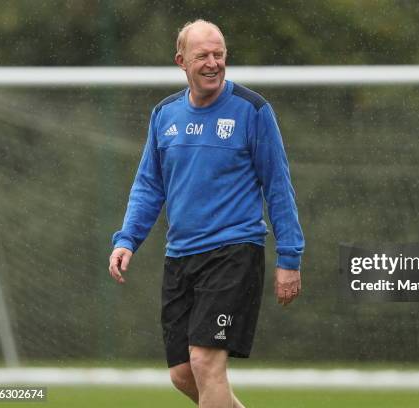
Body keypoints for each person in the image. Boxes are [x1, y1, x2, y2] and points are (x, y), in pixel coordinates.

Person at [108, 19, 304, 408]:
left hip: (234, 252)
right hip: (180, 256)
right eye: (203, 56)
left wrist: (289, 256)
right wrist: (127, 238)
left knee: (205, 363)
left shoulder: (253, 110)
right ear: (182, 61)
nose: (213, 63)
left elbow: (278, 186)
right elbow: (149, 185)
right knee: (183, 373)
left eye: (219, 54)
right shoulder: (164, 115)